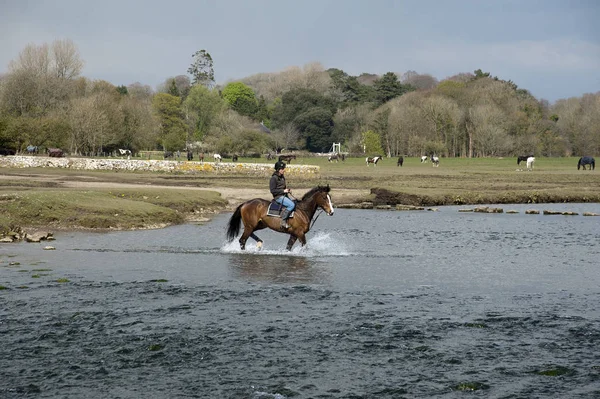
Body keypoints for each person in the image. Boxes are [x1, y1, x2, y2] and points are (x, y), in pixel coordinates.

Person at [270, 161, 295, 229]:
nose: (284, 170)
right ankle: (283, 221)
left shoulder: (282, 177)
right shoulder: (273, 178)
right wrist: (283, 191)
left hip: (284, 196)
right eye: (283, 169)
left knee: (295, 203)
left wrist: (287, 190)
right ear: (279, 169)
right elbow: (272, 191)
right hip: (278, 197)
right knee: (291, 205)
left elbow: (282, 187)